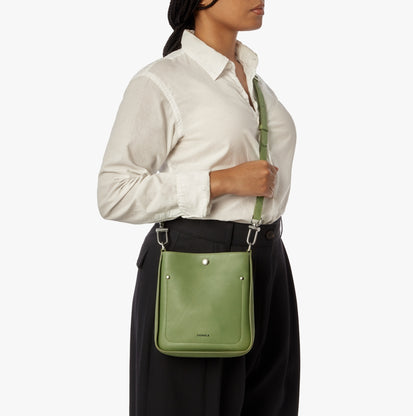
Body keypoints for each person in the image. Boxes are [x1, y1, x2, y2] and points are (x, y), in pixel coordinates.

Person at [97, 0, 300, 415]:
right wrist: (220, 181)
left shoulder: (257, 85)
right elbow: (113, 193)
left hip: (269, 262)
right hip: (196, 268)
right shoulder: (163, 80)